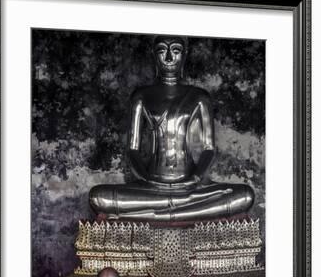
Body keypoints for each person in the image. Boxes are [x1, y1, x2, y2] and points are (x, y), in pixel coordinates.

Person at [89, 36, 254, 222]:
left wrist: (196, 179)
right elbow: (132, 150)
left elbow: (209, 149)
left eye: (175, 51)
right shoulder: (141, 96)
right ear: (154, 55)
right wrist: (146, 178)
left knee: (245, 195)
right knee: (98, 196)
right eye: (162, 51)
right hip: (152, 186)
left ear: (184, 56)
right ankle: (179, 209)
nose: (168, 58)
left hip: (191, 185)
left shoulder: (199, 97)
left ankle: (164, 212)